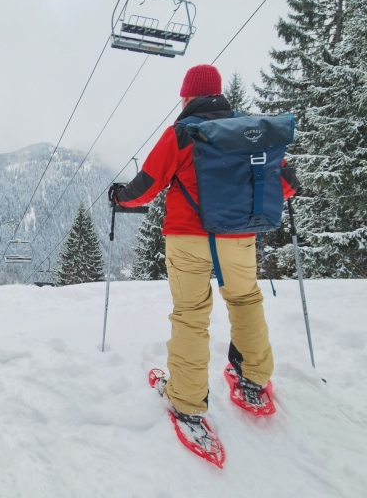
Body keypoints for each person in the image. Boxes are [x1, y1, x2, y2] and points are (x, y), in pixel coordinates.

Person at [110, 64, 299, 421]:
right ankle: (254, 379)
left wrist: (120, 198)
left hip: (188, 238)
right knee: (245, 301)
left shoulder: (182, 133)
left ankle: (186, 400)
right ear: (219, 93)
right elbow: (285, 184)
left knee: (191, 315)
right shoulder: (252, 132)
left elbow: (146, 187)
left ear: (187, 96)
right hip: (240, 237)